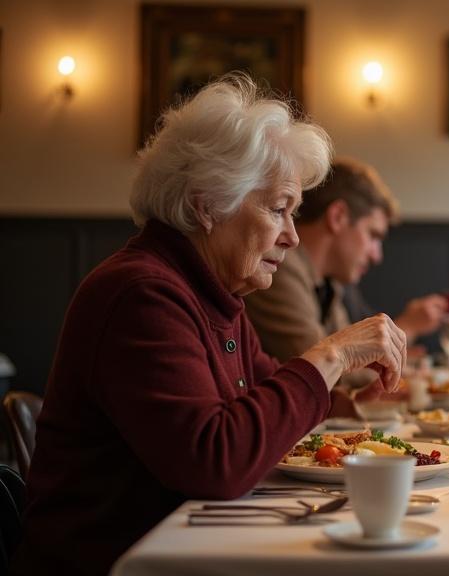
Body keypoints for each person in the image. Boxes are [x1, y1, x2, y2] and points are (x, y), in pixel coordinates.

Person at [12, 73, 407, 576]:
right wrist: (334, 356)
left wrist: (348, 403)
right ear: (207, 205)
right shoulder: (142, 294)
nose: (292, 236)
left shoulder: (210, 291)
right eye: (279, 209)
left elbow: (268, 388)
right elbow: (216, 463)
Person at [243, 159, 447, 414]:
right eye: (373, 235)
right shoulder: (278, 269)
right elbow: (321, 368)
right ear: (338, 217)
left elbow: (350, 366)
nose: (377, 255)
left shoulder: (329, 282)